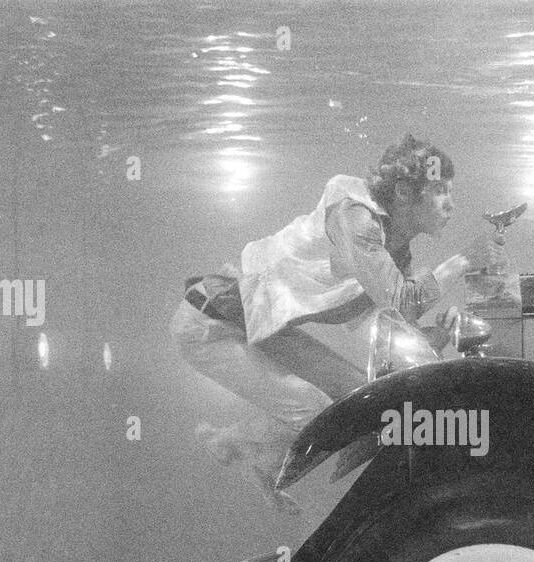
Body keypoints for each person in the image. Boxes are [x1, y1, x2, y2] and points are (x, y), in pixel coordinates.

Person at [171, 133, 505, 509]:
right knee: (323, 411)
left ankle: (247, 449)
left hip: (258, 323)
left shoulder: (391, 248)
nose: (451, 204)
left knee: (356, 398)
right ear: (404, 193)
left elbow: (393, 320)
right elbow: (398, 297)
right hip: (210, 322)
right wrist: (463, 261)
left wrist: (439, 334)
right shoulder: (353, 217)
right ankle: (243, 447)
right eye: (440, 190)